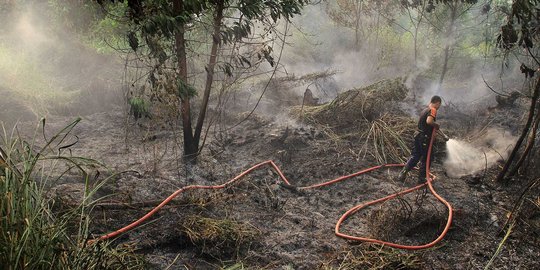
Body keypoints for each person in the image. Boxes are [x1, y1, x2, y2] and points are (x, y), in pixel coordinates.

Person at [398, 95, 448, 183]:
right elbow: (429, 122)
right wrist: (436, 124)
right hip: (425, 138)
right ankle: (421, 179)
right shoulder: (433, 110)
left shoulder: (425, 110)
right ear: (437, 103)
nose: (439, 107)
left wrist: (443, 135)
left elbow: (430, 126)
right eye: (439, 105)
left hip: (418, 135)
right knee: (427, 158)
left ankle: (403, 173)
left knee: (416, 156)